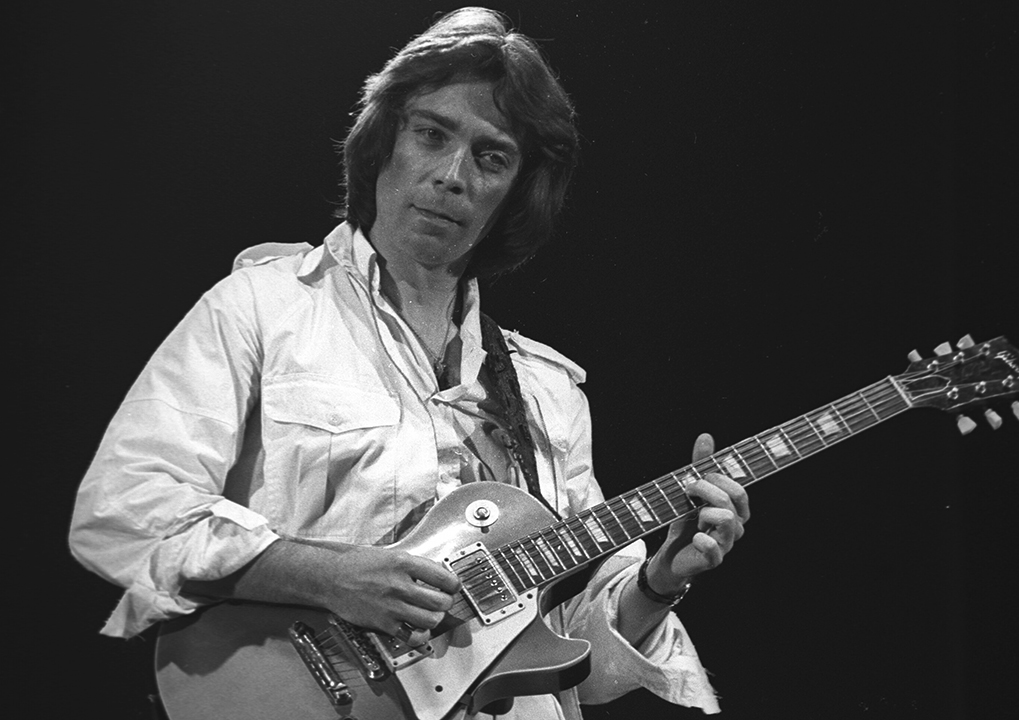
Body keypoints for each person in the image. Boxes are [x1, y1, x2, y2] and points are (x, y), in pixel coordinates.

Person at [68, 7, 749, 720]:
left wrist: (660, 582)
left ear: (517, 192)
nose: (453, 176)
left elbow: (574, 660)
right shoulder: (261, 309)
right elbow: (123, 508)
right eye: (431, 134)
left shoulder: (545, 390)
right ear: (384, 142)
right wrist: (321, 575)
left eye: (492, 157)